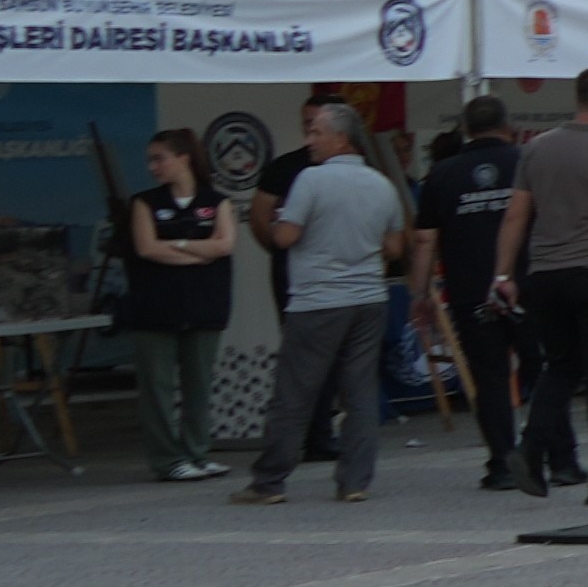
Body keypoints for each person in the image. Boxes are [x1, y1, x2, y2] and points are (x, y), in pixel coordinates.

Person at [234, 95, 412, 503]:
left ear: (341, 139)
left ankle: (269, 481)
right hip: (368, 298)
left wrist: (278, 223)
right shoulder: (382, 184)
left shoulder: (310, 181)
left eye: (316, 132)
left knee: (294, 394)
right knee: (360, 393)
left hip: (317, 299)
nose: (309, 140)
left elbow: (286, 237)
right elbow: (394, 246)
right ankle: (355, 481)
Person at [493, 70, 588, 494]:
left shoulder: (536, 148)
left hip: (545, 274)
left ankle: (531, 448)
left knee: (560, 366)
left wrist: (503, 274)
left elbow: (516, 216)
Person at [413, 98, 533, 487]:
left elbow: (425, 240)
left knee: (490, 377)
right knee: (548, 370)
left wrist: (420, 294)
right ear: (507, 125)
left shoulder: (442, 173)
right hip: (526, 284)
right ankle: (560, 458)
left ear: (465, 129)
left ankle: (502, 463)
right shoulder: (525, 160)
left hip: (470, 290)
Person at [108, 132, 239, 483]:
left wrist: (177, 244)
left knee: (199, 384)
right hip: (155, 308)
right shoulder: (144, 203)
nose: (153, 167)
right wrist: (197, 251)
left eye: (159, 158)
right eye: (150, 160)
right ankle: (167, 459)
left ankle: (197, 452)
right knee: (158, 387)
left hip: (205, 305)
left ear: (184, 158)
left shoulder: (217, 201)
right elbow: (148, 248)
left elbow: (224, 245)